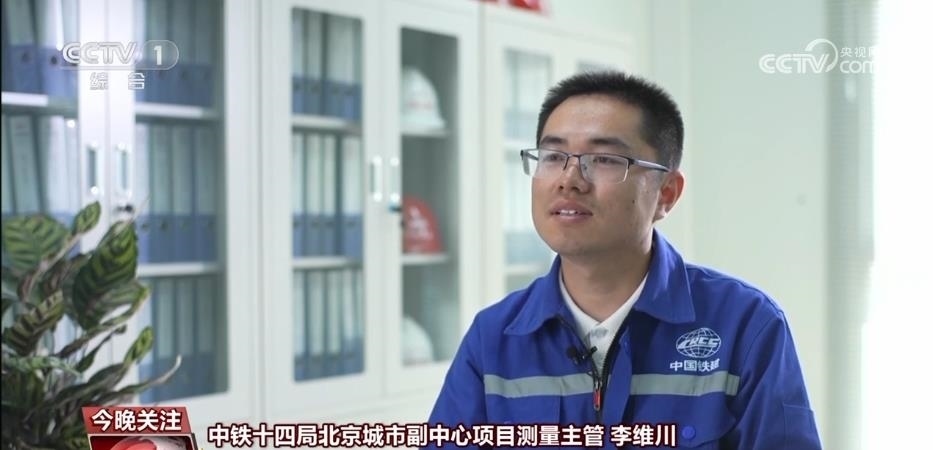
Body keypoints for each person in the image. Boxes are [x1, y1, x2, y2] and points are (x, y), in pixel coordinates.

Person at [427, 71, 821, 449]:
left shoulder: (744, 324)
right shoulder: (496, 338)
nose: (569, 179)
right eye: (553, 156)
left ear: (666, 193)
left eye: (604, 159)